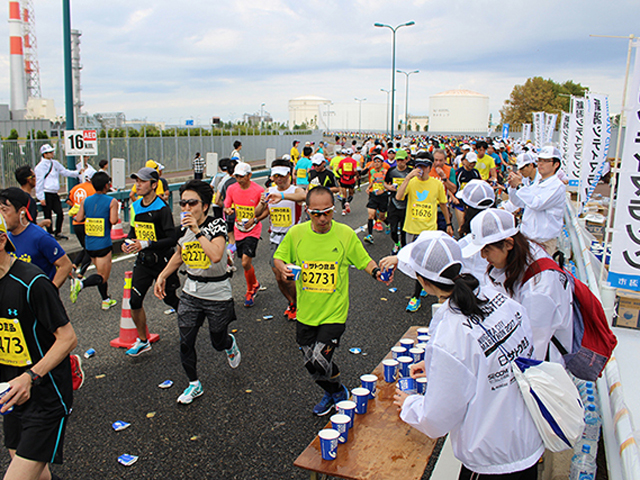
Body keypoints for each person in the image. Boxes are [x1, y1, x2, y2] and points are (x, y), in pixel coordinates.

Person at [386, 231, 543, 480]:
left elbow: (437, 418)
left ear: (423, 282)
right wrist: (439, 366)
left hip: (491, 456)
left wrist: (410, 404)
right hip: (525, 437)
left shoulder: (450, 332)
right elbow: (496, 354)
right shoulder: (501, 299)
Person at [273, 187, 388, 416]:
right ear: (308, 211)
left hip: (334, 313)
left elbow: (363, 260)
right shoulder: (296, 233)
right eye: (316, 213)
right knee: (310, 364)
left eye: (327, 212)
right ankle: (333, 392)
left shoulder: (345, 234)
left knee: (319, 358)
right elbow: (279, 257)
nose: (322, 218)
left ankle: (337, 393)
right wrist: (282, 268)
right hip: (306, 313)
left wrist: (377, 272)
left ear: (333, 209)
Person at [0, 213, 78, 480]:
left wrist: (31, 376)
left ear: (1, 240)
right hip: (11, 393)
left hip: (46, 393)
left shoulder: (32, 282)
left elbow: (68, 338)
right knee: (37, 474)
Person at [154, 180, 240, 405]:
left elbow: (215, 255)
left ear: (204, 205)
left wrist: (197, 230)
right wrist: (162, 275)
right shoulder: (183, 228)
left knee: (217, 341)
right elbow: (180, 254)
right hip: (191, 291)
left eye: (192, 203)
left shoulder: (217, 225)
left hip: (217, 292)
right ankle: (194, 384)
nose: (186, 208)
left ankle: (228, 343)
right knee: (185, 340)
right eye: (182, 203)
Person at [461, 208, 573, 364]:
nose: (483, 256)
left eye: (486, 250)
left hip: (541, 367)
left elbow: (531, 350)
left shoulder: (540, 288)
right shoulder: (520, 256)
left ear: (508, 244)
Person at [121, 167, 180, 356]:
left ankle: (189, 323)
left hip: (163, 261)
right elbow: (133, 231)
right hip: (144, 262)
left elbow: (172, 239)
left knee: (170, 299)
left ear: (154, 185)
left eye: (142, 181)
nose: (138, 185)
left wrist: (147, 243)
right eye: (136, 181)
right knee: (134, 301)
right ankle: (143, 340)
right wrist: (128, 242)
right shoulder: (135, 206)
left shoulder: (162, 208)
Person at [396, 152, 453, 312]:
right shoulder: (412, 182)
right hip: (411, 229)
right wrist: (407, 178)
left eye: (424, 166)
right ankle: (423, 285)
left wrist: (448, 223)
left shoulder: (436, 184)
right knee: (413, 263)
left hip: (428, 231)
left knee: (421, 263)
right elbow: (399, 197)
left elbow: (443, 205)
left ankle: (415, 297)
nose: (420, 169)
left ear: (430, 167)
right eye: (417, 166)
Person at [261, 160, 306, 320]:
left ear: (289, 174)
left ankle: (297, 303)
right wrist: (261, 203)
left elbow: (303, 196)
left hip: (292, 240)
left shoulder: (295, 190)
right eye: (275, 176)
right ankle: (292, 302)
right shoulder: (270, 190)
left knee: (288, 277)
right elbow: (261, 211)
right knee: (279, 277)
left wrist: (281, 196)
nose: (278, 179)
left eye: (282, 175)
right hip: (275, 239)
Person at [69, 172, 119, 310]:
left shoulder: (86, 201)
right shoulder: (112, 201)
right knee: (102, 277)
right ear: (106, 185)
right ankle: (81, 284)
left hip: (90, 243)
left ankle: (105, 299)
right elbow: (114, 220)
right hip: (103, 244)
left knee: (99, 272)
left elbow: (78, 218)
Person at [506, 146, 566, 255]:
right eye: (540, 160)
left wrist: (520, 186)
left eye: (546, 161)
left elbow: (537, 203)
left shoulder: (557, 186)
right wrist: (513, 188)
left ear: (556, 164)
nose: (541, 164)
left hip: (544, 242)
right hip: (528, 239)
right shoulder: (538, 183)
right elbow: (520, 202)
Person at [223, 162, 266, 308]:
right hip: (238, 229)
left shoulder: (259, 190)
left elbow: (267, 211)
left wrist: (255, 219)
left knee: (245, 262)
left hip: (253, 229)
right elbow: (226, 205)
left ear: (249, 175)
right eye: (237, 176)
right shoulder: (231, 188)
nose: (239, 179)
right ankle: (255, 283)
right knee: (245, 262)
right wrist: (228, 210)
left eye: (242, 176)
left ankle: (250, 290)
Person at [34, 144, 83, 239]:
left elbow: (64, 172)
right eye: (50, 152)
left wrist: (77, 173)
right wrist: (40, 197)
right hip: (46, 192)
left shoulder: (55, 163)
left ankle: (58, 232)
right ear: (45, 154)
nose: (52, 153)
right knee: (48, 215)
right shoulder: (40, 167)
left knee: (59, 213)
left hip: (54, 193)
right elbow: (39, 182)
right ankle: (50, 233)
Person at [66, 171, 97, 278]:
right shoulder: (93, 189)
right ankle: (81, 273)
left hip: (76, 222)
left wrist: (75, 207)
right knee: (90, 248)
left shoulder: (76, 188)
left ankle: (74, 265)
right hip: (88, 222)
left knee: (85, 247)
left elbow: (68, 200)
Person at [384, 150, 412, 254]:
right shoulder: (391, 171)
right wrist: (389, 187)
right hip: (394, 203)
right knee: (393, 230)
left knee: (405, 231)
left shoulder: (410, 172)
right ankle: (396, 243)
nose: (400, 162)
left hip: (407, 204)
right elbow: (385, 183)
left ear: (406, 160)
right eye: (398, 160)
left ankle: (404, 251)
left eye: (402, 160)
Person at [363, 155, 389, 244]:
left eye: (379, 161)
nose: (376, 163)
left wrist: (384, 190)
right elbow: (373, 180)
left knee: (382, 216)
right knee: (371, 215)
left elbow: (390, 184)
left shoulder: (386, 172)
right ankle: (370, 235)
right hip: (373, 195)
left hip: (383, 196)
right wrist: (368, 187)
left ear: (382, 163)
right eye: (375, 161)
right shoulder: (373, 171)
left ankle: (388, 224)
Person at [14, 166, 50, 230]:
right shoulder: (29, 200)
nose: (36, 178)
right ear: (29, 180)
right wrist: (43, 223)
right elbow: (29, 227)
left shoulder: (15, 196)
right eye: (34, 176)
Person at [336, 149, 358, 215]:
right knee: (351, 194)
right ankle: (347, 202)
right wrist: (356, 175)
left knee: (344, 195)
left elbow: (337, 169)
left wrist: (340, 175)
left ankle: (343, 210)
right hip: (351, 180)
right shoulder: (354, 161)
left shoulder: (342, 161)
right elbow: (355, 170)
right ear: (352, 154)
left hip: (343, 179)